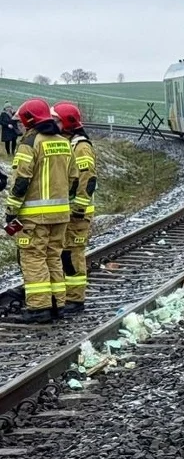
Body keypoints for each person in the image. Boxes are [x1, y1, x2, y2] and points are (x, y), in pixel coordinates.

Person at [5, 98, 77, 323]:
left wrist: (11, 210)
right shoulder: (63, 142)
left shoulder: (30, 142)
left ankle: (38, 309)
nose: (20, 125)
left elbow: (21, 181)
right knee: (53, 257)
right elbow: (74, 179)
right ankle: (58, 304)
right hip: (61, 214)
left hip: (34, 217)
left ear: (28, 120)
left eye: (21, 120)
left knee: (34, 259)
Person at [52, 102, 96, 314]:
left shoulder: (81, 146)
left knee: (73, 255)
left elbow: (88, 178)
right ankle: (66, 296)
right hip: (66, 211)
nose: (54, 124)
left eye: (57, 120)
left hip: (78, 213)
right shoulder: (66, 143)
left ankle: (75, 299)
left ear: (67, 122)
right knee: (64, 253)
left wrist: (79, 207)